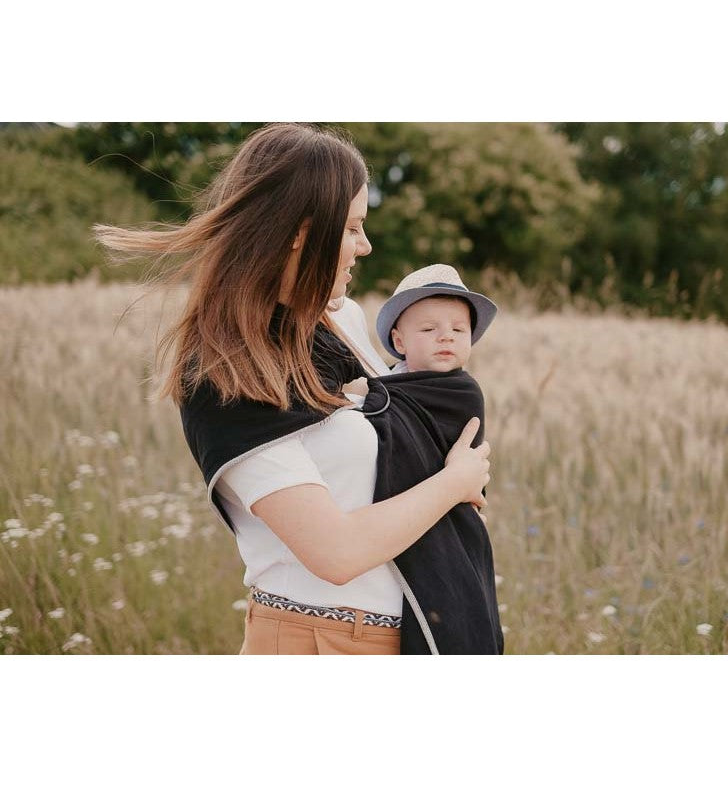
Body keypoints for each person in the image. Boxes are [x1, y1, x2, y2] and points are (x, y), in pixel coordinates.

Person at [94, 122, 491, 655]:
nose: (365, 246)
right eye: (352, 228)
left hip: (412, 632)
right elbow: (337, 553)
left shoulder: (341, 321)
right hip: (317, 643)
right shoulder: (225, 376)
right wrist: (453, 482)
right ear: (301, 232)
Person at [354, 265, 503, 654]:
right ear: (399, 341)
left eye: (458, 329)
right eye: (429, 329)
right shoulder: (385, 384)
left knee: (446, 607)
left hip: (447, 516)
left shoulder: (461, 392)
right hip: (401, 514)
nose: (446, 337)